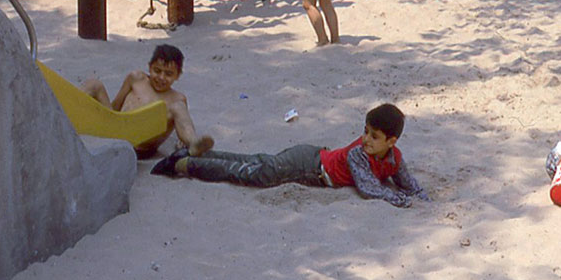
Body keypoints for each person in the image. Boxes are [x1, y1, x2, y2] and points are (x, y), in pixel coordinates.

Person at [151, 103, 430, 209]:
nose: (367, 139)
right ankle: (187, 164)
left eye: (374, 136)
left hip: (309, 160)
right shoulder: (359, 154)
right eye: (366, 132)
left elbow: (406, 180)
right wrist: (400, 200)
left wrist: (420, 196)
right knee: (254, 174)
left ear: (391, 141)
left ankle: (197, 152)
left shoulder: (395, 158)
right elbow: (369, 189)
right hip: (308, 165)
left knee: (254, 161)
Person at [81, 44, 213, 157]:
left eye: (168, 74)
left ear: (177, 76)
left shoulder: (177, 98)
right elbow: (115, 107)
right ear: (149, 67)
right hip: (116, 131)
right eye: (157, 71)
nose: (161, 77)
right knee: (94, 84)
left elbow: (184, 124)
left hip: (141, 146)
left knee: (178, 107)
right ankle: (63, 114)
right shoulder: (136, 78)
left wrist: (184, 139)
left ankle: (193, 143)